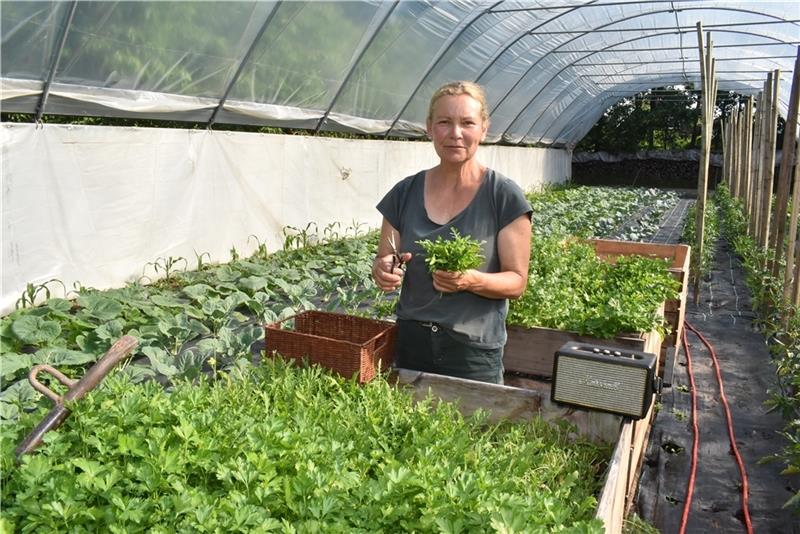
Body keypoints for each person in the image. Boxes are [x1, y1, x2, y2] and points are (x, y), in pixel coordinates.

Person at [372, 80, 532, 384]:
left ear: (484, 128)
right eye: (445, 122)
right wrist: (385, 271)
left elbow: (516, 281)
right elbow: (386, 260)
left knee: (473, 429)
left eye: (467, 123)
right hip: (410, 344)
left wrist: (470, 279)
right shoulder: (404, 193)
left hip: (472, 353)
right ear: (430, 127)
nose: (455, 133)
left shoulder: (504, 196)